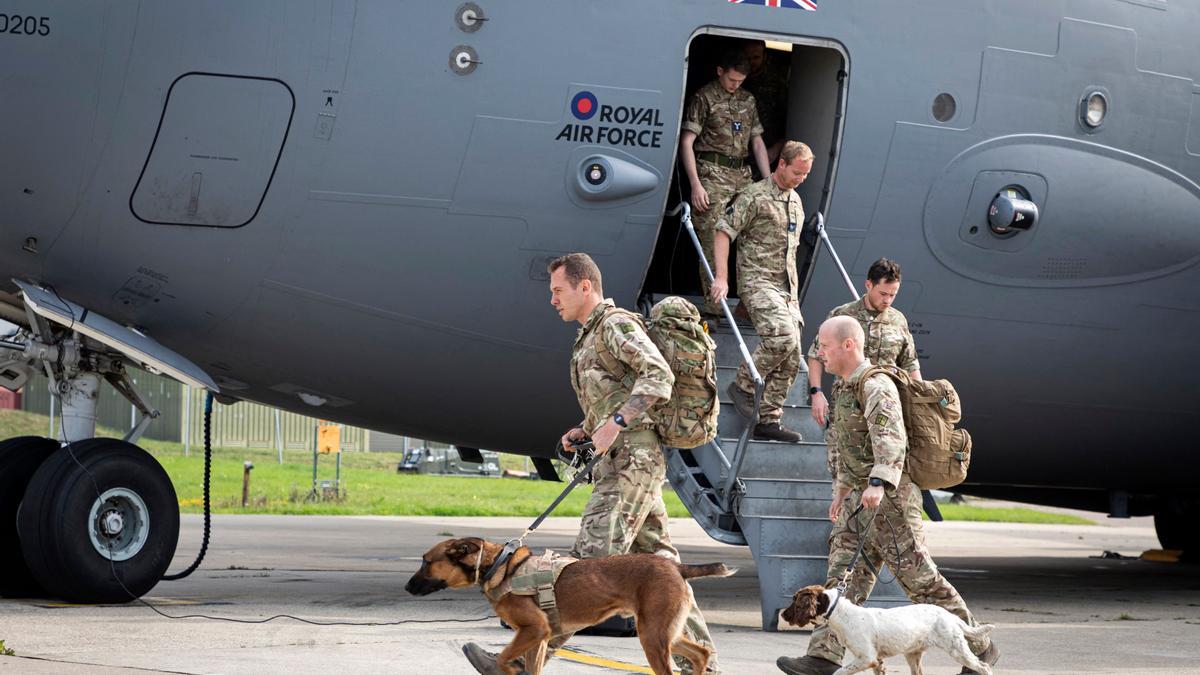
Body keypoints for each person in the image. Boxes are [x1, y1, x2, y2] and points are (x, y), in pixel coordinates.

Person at [462, 253, 721, 674]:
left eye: (558, 290)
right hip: (625, 460)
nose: (552, 300)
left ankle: (519, 663)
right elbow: (614, 391)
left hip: (630, 462)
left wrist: (616, 423)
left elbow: (658, 375)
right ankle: (702, 667)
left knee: (583, 570)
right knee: (665, 570)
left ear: (586, 287)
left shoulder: (616, 325)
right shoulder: (590, 334)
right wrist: (588, 426)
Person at [775, 317, 999, 675]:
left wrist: (879, 482)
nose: (819, 354)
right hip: (857, 501)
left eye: (825, 347)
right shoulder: (845, 386)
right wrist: (843, 489)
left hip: (889, 501)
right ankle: (824, 656)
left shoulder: (876, 384)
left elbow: (891, 438)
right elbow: (850, 444)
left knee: (921, 581)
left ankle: (979, 647)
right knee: (839, 584)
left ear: (848, 345)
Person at [709, 141, 813, 442]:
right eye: (797, 172)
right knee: (783, 336)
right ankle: (742, 385)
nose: (801, 179)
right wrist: (722, 278)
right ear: (781, 164)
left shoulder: (795, 201)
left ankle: (768, 420)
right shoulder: (753, 196)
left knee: (792, 355)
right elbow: (723, 231)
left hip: (786, 289)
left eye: (806, 175)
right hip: (757, 282)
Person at [679, 50, 772, 315]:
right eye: (732, 79)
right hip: (711, 173)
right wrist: (696, 184)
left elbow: (756, 141)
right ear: (720, 71)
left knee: (757, 235)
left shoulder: (748, 100)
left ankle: (749, 303)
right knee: (712, 239)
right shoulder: (704, 98)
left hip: (742, 175)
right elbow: (687, 142)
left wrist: (768, 184)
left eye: (740, 81)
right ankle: (714, 310)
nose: (735, 85)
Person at [741, 40, 790, 167]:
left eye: (756, 57)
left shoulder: (777, 83)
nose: (751, 62)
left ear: (765, 56)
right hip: (739, 153)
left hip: (768, 152)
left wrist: (776, 148)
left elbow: (788, 121)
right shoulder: (737, 81)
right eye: (748, 58)